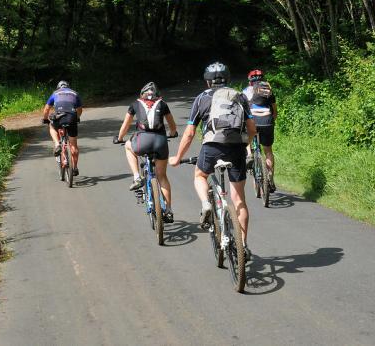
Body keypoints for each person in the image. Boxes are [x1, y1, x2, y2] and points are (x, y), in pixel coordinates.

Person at [169, 62, 256, 260]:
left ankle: (205, 205)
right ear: (228, 78)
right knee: (239, 199)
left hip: (212, 147)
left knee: (200, 175)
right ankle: (242, 245)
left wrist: (178, 157)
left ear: (208, 81)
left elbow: (190, 132)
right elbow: (252, 129)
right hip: (236, 148)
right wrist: (245, 145)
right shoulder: (240, 96)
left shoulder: (202, 98)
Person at [115, 82, 178, 222]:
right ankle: (168, 210)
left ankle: (137, 176)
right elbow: (172, 125)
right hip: (161, 142)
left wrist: (119, 138)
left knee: (127, 146)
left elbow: (125, 125)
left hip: (142, 142)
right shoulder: (162, 104)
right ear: (157, 95)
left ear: (141, 94)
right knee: (162, 176)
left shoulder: (135, 104)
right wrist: (172, 133)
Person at [243, 69, 278, 192]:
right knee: (268, 150)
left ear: (250, 80)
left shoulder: (246, 91)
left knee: (246, 136)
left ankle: (249, 154)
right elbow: (275, 111)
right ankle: (270, 179)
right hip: (267, 121)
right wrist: (271, 121)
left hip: (253, 121)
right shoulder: (268, 89)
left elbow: (242, 110)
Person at [42, 80, 83, 176]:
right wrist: (76, 118)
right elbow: (80, 110)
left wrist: (45, 119)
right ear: (68, 86)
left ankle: (57, 145)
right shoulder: (74, 93)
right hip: (72, 116)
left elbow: (47, 109)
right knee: (73, 145)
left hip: (59, 116)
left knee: (52, 126)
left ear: (58, 87)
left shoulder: (55, 93)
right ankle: (75, 168)